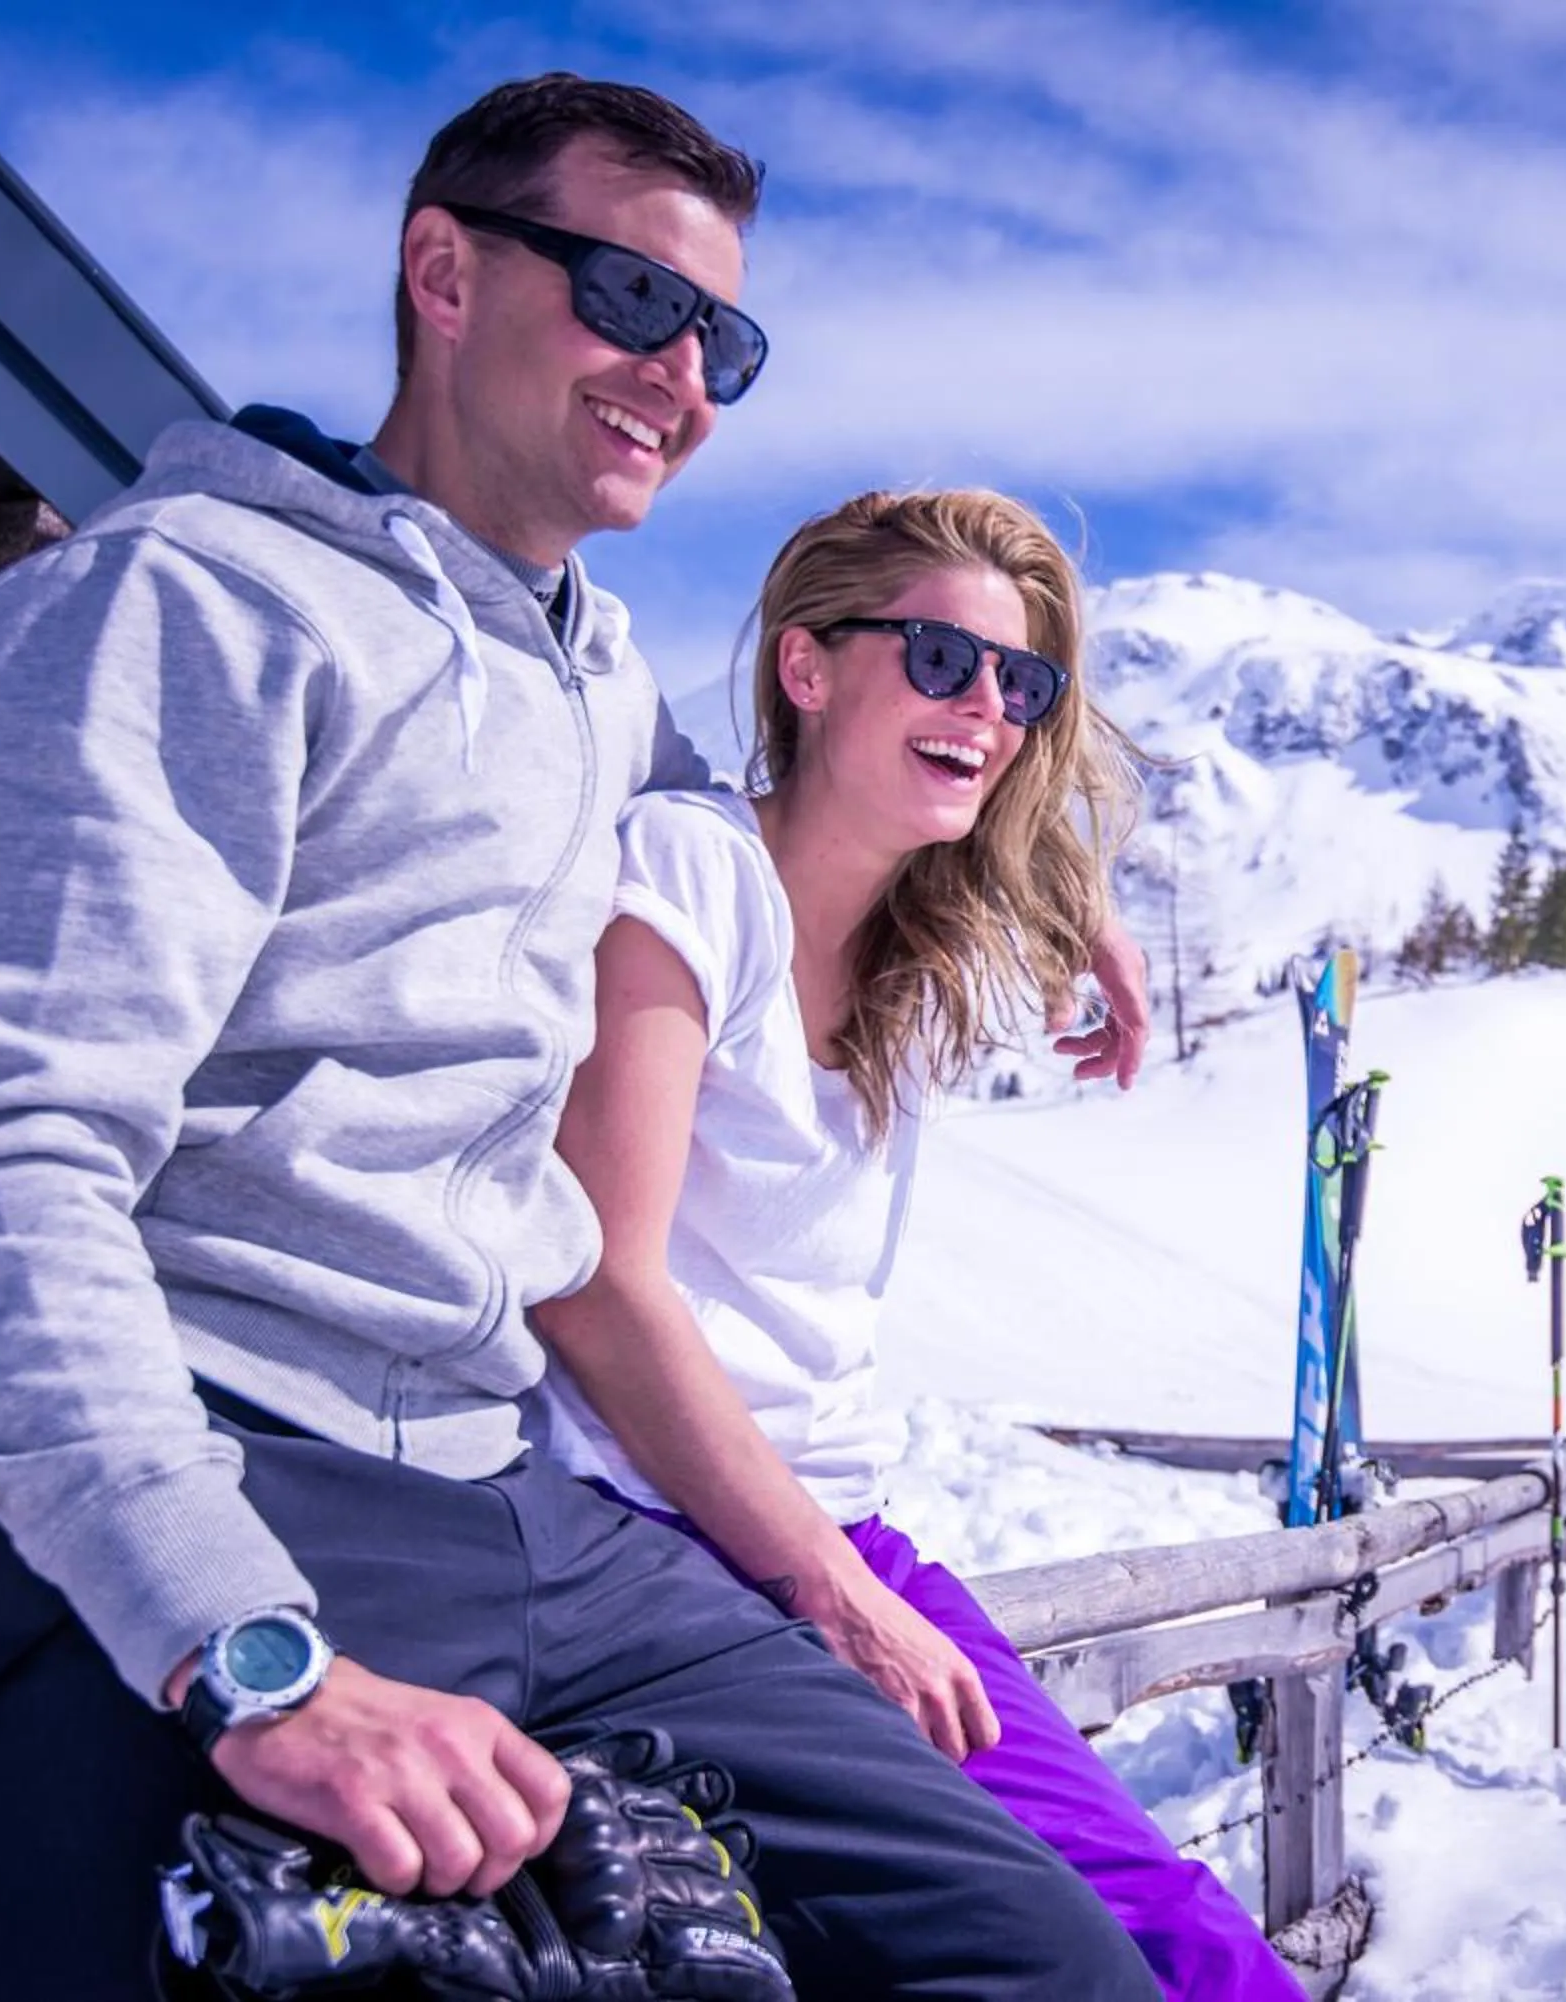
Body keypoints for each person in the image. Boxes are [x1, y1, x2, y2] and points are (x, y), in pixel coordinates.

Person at [0, 73, 1156, 1999]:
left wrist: (1071, 905)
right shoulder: (187, 610)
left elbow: (801, 807)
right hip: (215, 1461)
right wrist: (247, 1654)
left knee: (1039, 1959)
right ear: (443, 273)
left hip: (507, 1500)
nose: (684, 374)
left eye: (721, 336)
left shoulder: (583, 669)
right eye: (634, 300)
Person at [529, 490, 1309, 1999]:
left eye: (1022, 685)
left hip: (839, 1533)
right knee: (1054, 1956)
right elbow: (598, 1283)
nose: (987, 711)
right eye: (944, 659)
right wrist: (834, 1593)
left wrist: (1082, 906)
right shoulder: (694, 877)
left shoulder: (908, 945)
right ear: (807, 668)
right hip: (663, 1547)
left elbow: (995, 844)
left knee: (1176, 1924)